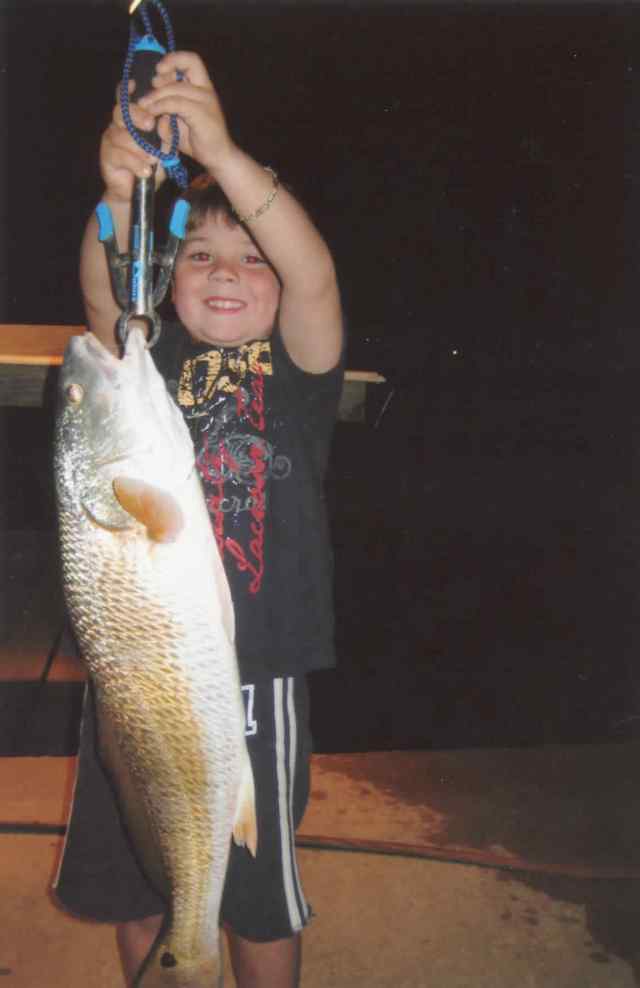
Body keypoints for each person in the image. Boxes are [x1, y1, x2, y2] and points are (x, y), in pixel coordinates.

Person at [54, 50, 344, 988]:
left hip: (254, 675)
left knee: (256, 901)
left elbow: (314, 274)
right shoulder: (151, 363)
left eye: (254, 258)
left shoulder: (297, 368)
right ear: (167, 276)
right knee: (140, 887)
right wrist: (117, 194)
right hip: (135, 688)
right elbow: (102, 299)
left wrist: (219, 153)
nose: (228, 273)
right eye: (201, 256)